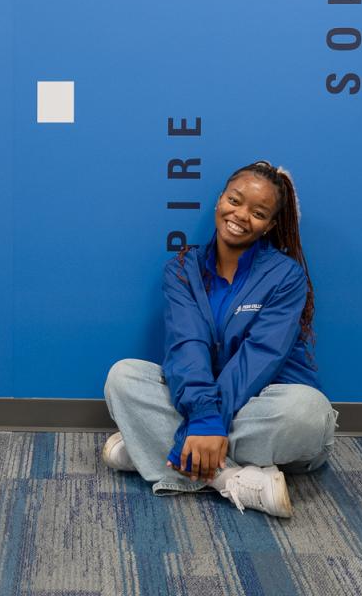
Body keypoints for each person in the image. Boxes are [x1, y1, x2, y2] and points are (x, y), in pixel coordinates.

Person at [102, 160, 336, 517]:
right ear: (219, 199)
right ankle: (230, 479)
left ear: (270, 225)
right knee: (123, 376)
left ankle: (156, 447)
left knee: (310, 412)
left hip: (264, 405)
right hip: (204, 403)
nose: (241, 215)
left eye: (258, 212)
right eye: (235, 200)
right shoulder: (182, 269)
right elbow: (187, 347)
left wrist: (207, 422)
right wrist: (204, 416)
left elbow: (261, 356)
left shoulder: (286, 276)